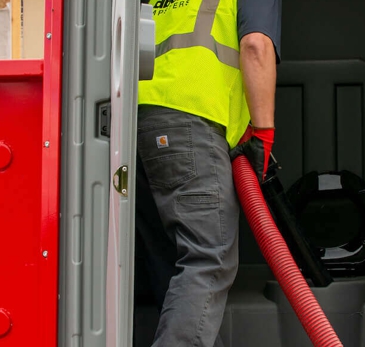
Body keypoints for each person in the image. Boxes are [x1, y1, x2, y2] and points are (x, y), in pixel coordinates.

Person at [134, 0, 281, 346]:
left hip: (137, 125)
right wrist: (262, 132)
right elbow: (256, 46)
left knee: (171, 262)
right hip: (190, 121)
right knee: (209, 258)